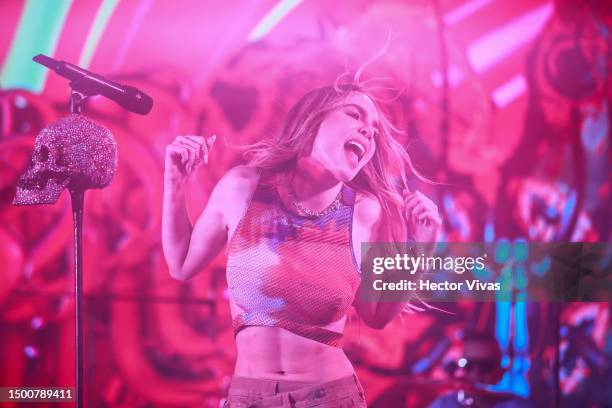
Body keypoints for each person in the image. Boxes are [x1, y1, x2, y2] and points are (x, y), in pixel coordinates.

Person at [162, 76, 442, 407]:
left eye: (375, 130)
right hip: (250, 398)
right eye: (354, 115)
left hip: (329, 397)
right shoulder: (242, 188)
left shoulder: (367, 214)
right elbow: (181, 264)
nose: (369, 131)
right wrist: (174, 182)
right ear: (313, 118)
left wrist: (423, 247)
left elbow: (378, 315)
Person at [429, 332, 533, 408]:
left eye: (486, 366)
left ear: (501, 372)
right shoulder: (444, 405)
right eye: (468, 365)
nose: (476, 374)